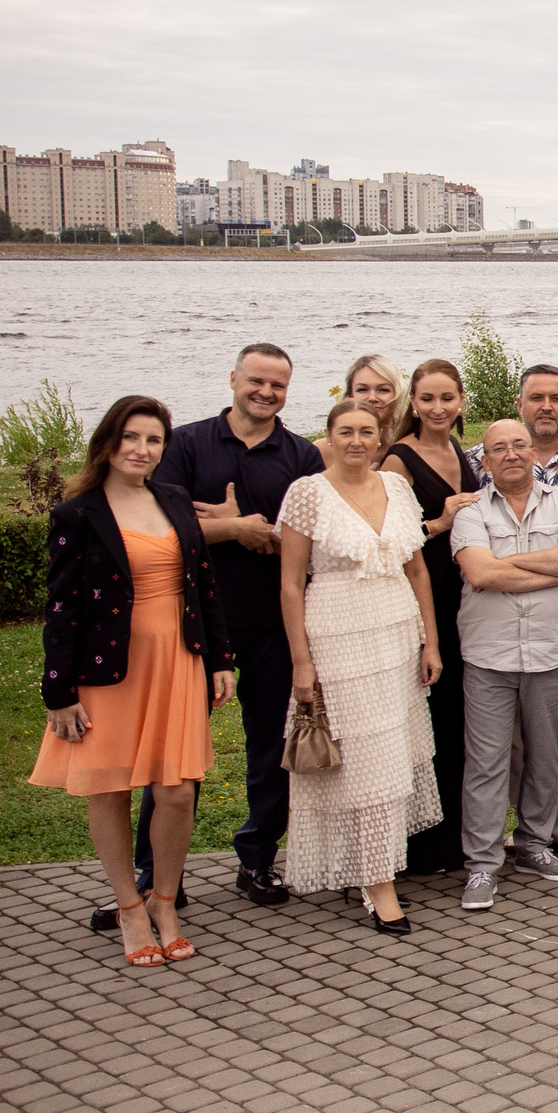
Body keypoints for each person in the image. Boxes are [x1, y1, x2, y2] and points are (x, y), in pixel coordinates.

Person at [36, 396, 235, 966]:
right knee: (111, 789)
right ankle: (129, 908)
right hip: (107, 670)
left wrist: (220, 658)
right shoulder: (78, 514)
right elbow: (61, 607)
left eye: (152, 440)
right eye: (130, 437)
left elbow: (202, 584)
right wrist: (59, 692)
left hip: (177, 659)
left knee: (176, 790)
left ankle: (164, 902)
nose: (141, 449)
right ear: (108, 442)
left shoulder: (173, 499)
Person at [150, 343, 325, 908]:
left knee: (270, 749)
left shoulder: (301, 456)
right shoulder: (186, 445)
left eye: (277, 385)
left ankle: (257, 860)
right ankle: (156, 875)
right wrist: (234, 529)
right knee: (176, 753)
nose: (265, 392)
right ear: (233, 379)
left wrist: (259, 531)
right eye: (256, 381)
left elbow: (316, 540)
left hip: (275, 625)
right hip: (196, 623)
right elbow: (160, 530)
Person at [277, 402, 443, 933]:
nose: (355, 440)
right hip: (338, 638)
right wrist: (301, 662)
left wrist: (431, 643)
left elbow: (418, 571)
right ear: (328, 437)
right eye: (345, 431)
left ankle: (375, 865)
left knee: (391, 756)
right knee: (361, 760)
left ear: (380, 438)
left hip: (397, 635)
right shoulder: (307, 493)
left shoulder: (397, 487)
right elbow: (290, 584)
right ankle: (377, 882)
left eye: (366, 432)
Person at [449, 419, 558, 910]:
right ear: (484, 460)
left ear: (533, 452)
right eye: (498, 448)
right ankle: (482, 865)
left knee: (545, 755)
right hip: (488, 654)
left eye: (519, 445)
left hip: (553, 651)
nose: (510, 454)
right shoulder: (470, 510)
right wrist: (552, 568)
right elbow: (480, 572)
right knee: (486, 763)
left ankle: (533, 845)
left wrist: (505, 566)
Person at [467, 364, 558, 860]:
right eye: (536, 397)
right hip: (499, 624)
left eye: (556, 397)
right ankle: (527, 826)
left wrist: (503, 564)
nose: (546, 406)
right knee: (510, 736)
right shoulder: (477, 461)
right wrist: (549, 564)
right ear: (520, 403)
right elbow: (470, 544)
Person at [382, 358, 479, 877]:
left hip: (463, 597)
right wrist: (439, 522)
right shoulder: (398, 460)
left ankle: (453, 840)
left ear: (461, 401)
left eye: (447, 398)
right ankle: (415, 847)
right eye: (428, 399)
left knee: (455, 721)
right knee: (424, 720)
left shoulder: (457, 449)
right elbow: (386, 541)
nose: (438, 408)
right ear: (413, 404)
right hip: (421, 599)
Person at [316, 353, 405, 470]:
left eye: (383, 390)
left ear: (397, 395)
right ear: (350, 394)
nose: (372, 398)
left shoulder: (407, 447)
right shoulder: (321, 451)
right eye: (362, 389)